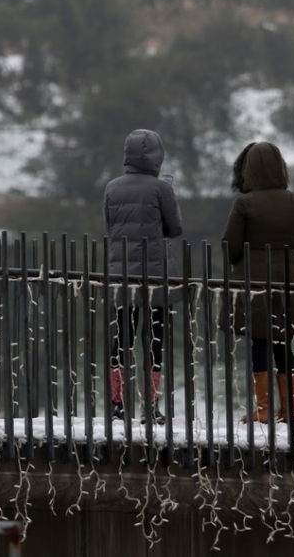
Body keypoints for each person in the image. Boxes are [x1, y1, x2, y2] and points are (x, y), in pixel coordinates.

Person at [221, 141, 294, 424]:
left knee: (260, 342)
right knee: (283, 342)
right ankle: (291, 410)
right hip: (289, 279)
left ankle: (263, 409)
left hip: (255, 281)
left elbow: (230, 246)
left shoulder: (245, 203)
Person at [103, 129, 183, 423]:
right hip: (155, 277)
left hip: (122, 275)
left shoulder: (111, 187)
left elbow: (110, 228)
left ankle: (116, 404)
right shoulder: (162, 189)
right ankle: (150, 407)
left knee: (121, 340)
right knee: (154, 341)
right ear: (158, 156)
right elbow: (174, 229)